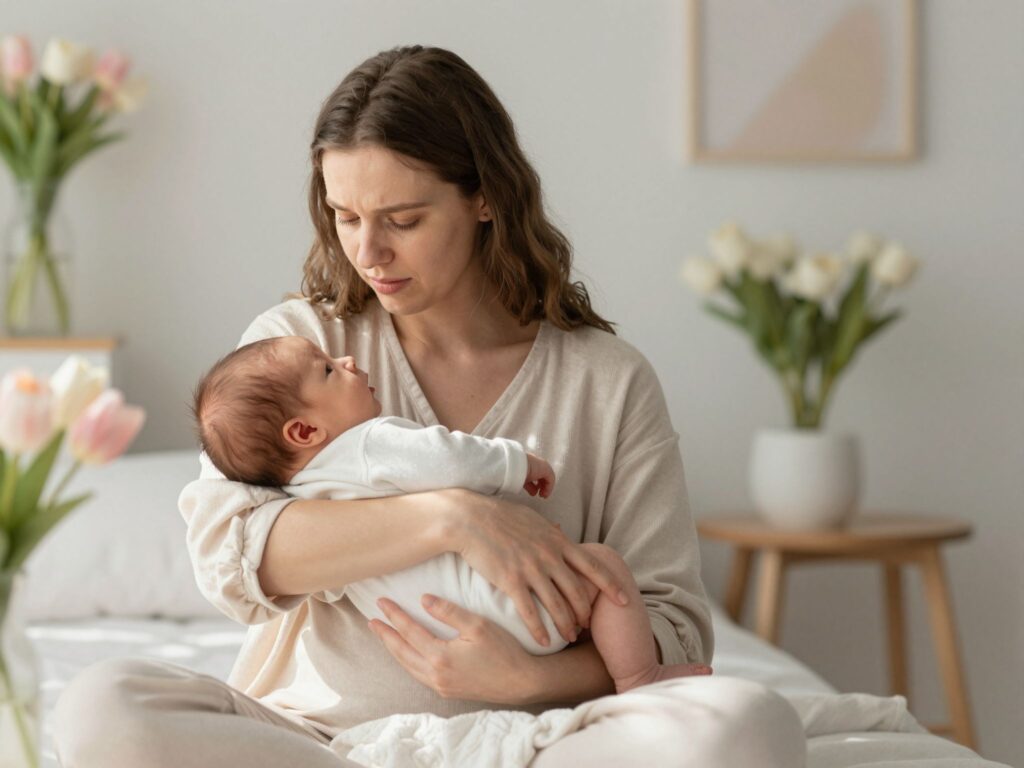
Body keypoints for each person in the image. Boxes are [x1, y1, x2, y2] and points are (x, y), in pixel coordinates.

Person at [53, 45, 805, 767]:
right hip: (316, 743)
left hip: (543, 744)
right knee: (103, 706)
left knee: (747, 725)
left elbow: (674, 627)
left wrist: (527, 681)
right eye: (346, 217)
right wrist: (454, 517)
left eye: (403, 220)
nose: (368, 252)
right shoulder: (298, 346)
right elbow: (229, 557)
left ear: (484, 197)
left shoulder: (607, 382)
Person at [189, 333, 714, 693]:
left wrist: (530, 680)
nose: (346, 362)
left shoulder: (302, 493)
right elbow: (447, 455)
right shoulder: (370, 444)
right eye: (328, 369)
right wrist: (513, 465)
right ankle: (639, 683)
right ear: (304, 431)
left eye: (405, 219)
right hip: (518, 610)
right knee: (603, 566)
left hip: (453, 634)